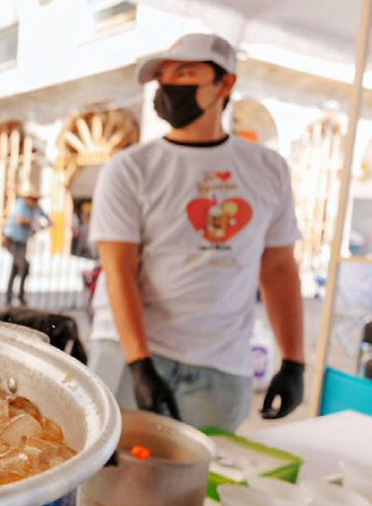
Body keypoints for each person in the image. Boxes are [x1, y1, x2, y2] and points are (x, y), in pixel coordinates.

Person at [89, 34, 305, 431]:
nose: (170, 86)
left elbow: (277, 267)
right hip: (127, 351)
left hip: (220, 362)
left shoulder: (268, 169)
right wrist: (139, 364)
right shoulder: (130, 168)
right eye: (163, 77)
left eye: (185, 74)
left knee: (195, 481)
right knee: (109, 485)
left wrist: (293, 360)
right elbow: (119, 270)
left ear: (225, 84)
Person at [3, 188, 48, 306]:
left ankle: (14, 297)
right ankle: (16, 296)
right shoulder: (20, 205)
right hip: (12, 240)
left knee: (17, 268)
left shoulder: (37, 208)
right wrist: (33, 223)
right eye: (33, 199)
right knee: (23, 265)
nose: (34, 201)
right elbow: (19, 220)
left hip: (23, 241)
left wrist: (41, 226)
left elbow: (48, 220)